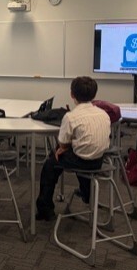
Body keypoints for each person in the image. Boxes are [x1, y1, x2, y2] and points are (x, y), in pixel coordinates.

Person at [35, 76, 110, 221]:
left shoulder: (71, 117)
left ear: (72, 94)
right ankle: (87, 195)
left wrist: (64, 147)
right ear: (94, 95)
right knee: (80, 151)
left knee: (51, 164)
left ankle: (45, 209)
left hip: (81, 161)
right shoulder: (104, 114)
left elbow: (63, 143)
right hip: (99, 161)